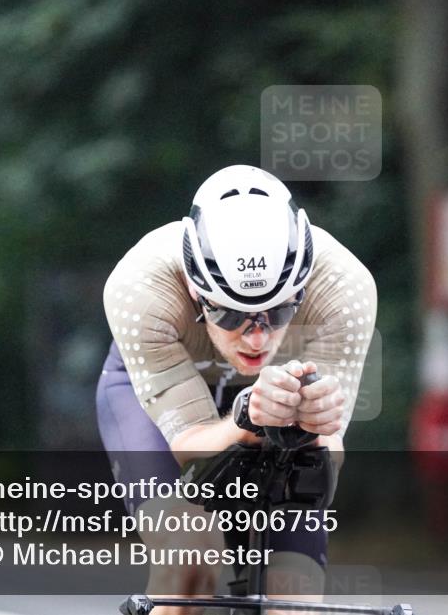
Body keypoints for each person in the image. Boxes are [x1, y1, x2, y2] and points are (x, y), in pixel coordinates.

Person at [96, 165, 377, 614]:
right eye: (229, 314)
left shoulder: (344, 287)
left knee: (296, 594)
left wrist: (316, 424)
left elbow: (325, 466)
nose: (256, 338)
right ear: (193, 287)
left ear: (302, 288)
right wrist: (247, 417)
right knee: (190, 555)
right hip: (162, 396)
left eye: (279, 312)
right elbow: (188, 446)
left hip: (277, 411)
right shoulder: (139, 288)